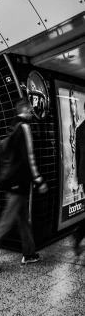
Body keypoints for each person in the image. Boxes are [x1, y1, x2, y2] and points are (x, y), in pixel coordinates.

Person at [0, 98, 48, 274]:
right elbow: (29, 158)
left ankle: (29, 253)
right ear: (25, 109)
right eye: (30, 109)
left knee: (23, 220)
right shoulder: (24, 127)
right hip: (19, 183)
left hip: (15, 183)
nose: (32, 112)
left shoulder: (13, 127)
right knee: (6, 223)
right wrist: (39, 180)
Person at [72, 99, 85, 253]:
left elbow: (78, 155)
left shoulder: (80, 128)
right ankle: (79, 233)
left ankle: (79, 233)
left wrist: (77, 177)